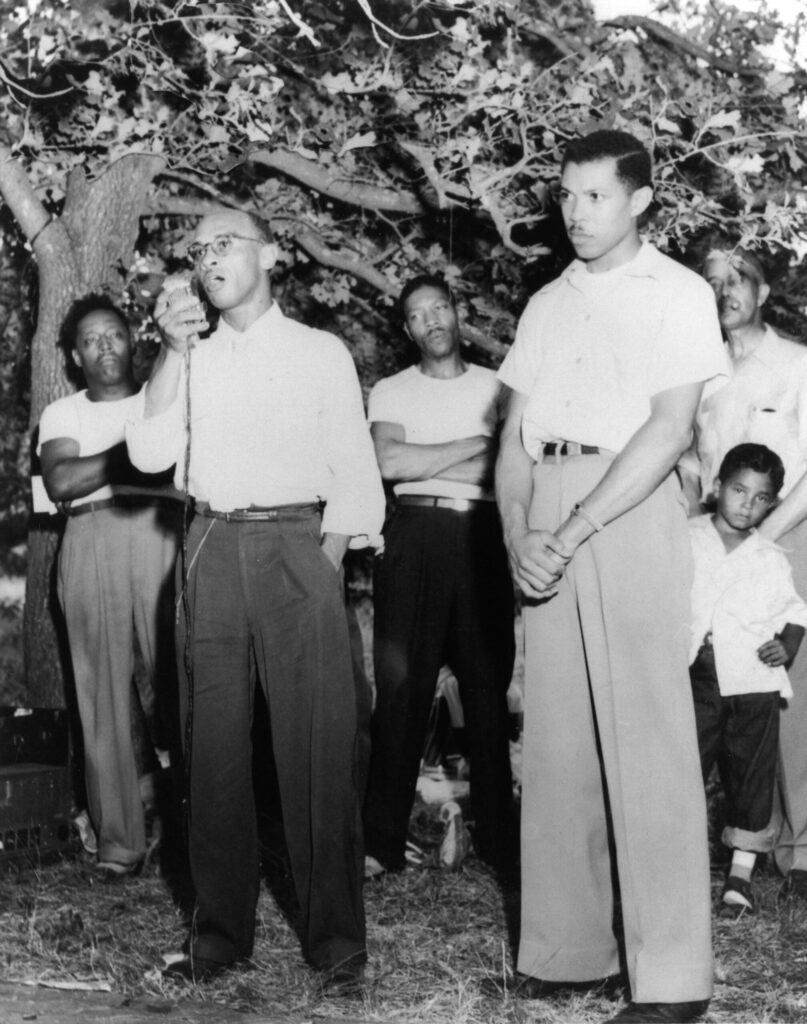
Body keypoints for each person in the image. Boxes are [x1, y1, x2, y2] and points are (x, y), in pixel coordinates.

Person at [494, 130, 729, 1024]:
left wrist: (577, 525)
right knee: (556, 742)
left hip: (626, 506)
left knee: (647, 737)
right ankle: (566, 952)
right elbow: (511, 438)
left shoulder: (677, 292)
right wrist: (521, 532)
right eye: (566, 195)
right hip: (548, 505)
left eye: (593, 196)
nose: (574, 212)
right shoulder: (547, 301)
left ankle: (671, 978)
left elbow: (670, 428)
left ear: (638, 199)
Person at [125, 208, 385, 992]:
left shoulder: (319, 351)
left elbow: (353, 472)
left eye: (225, 244)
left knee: (316, 750)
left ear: (270, 255)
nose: (209, 259)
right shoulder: (188, 355)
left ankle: (337, 947)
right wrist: (169, 353)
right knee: (211, 752)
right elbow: (147, 452)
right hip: (209, 544)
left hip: (297, 546)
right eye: (198, 251)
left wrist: (322, 560)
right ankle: (218, 940)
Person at [362, 274, 516, 878]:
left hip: (480, 537)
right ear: (408, 330)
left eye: (440, 308)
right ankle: (380, 842)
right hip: (414, 537)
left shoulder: (498, 386)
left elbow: (504, 467)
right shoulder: (392, 390)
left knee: (486, 692)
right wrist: (472, 445)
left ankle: (502, 843)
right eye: (417, 315)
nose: (431, 321)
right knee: (402, 692)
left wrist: (443, 455)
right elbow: (387, 462)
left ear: (457, 313)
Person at [37, 295, 182, 877]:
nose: (105, 347)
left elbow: (181, 471)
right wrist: (133, 454)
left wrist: (119, 464)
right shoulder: (62, 413)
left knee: (184, 686)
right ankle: (120, 843)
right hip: (89, 538)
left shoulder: (164, 397)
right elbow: (64, 480)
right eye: (92, 340)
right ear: (75, 356)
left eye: (115, 335)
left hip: (159, 536)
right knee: (100, 698)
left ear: (133, 340)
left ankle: (198, 835)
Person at [679, 247, 807, 899]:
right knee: (717, 697)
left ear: (761, 292)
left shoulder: (793, 363)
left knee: (784, 689)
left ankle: (799, 849)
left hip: (784, 537)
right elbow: (691, 463)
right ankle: (728, 843)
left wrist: (762, 536)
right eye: (712, 284)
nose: (724, 291)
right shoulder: (697, 372)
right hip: (713, 544)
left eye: (737, 282)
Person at [689, 443, 807, 917]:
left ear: (773, 504)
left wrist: (789, 645)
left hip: (754, 679)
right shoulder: (685, 538)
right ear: (717, 486)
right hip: (697, 675)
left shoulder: (769, 555)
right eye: (739, 490)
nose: (746, 504)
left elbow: (794, 612)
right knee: (684, 767)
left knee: (751, 776)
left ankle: (739, 876)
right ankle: (678, 865)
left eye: (761, 498)